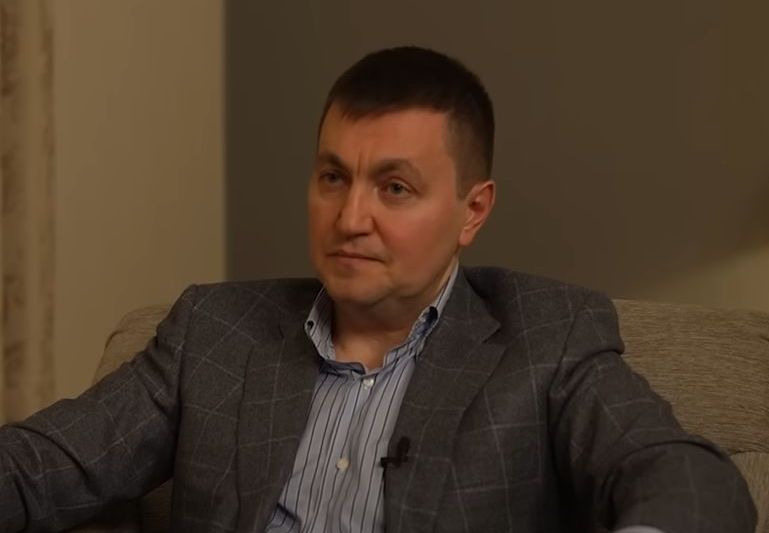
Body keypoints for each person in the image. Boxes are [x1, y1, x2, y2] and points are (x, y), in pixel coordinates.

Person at [0, 46, 756, 533]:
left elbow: (689, 480)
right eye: (333, 177)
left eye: (394, 187)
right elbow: (42, 465)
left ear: (472, 211)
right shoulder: (214, 330)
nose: (349, 218)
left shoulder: (547, 337)